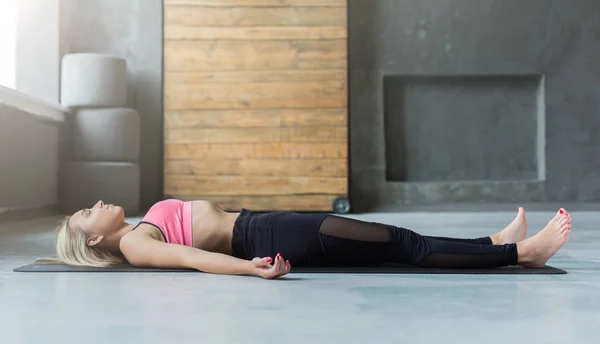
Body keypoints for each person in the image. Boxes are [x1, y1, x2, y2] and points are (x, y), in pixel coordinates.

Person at [55, 199, 571, 279]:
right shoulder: (133, 244)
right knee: (400, 244)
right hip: (265, 235)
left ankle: (490, 240)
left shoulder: (138, 223)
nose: (96, 204)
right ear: (96, 239)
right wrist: (252, 268)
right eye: (86, 214)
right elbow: (190, 258)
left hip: (264, 220)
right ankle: (521, 253)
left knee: (394, 238)